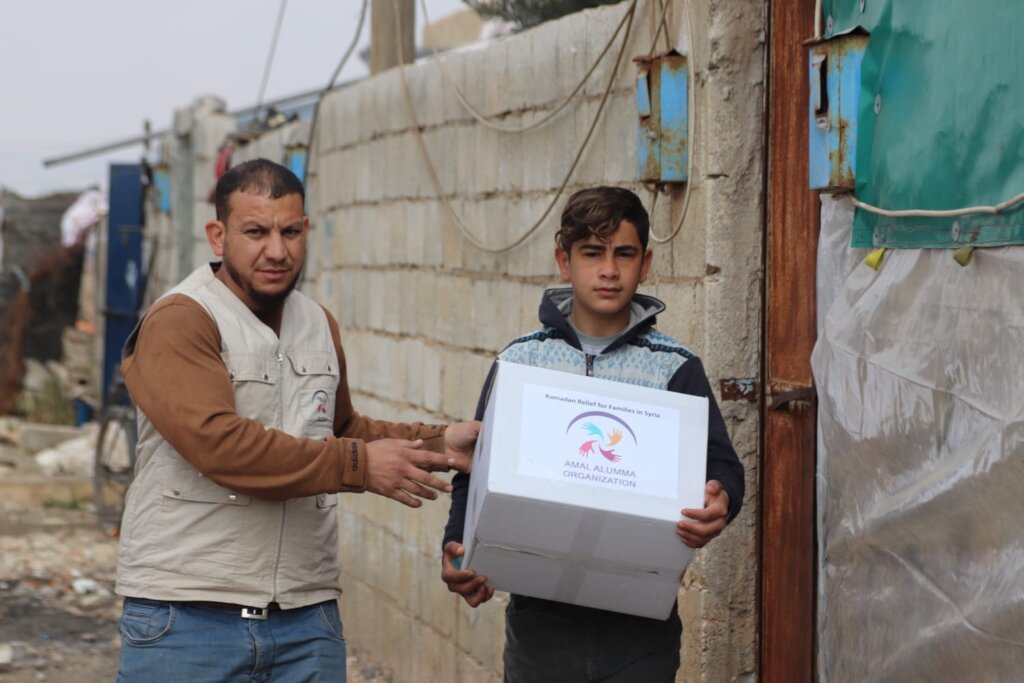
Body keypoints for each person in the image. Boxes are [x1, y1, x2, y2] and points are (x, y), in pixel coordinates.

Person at [115, 158, 479, 682]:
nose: (277, 251)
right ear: (218, 236)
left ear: (306, 231)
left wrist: (442, 443)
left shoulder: (317, 322)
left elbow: (340, 429)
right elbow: (219, 444)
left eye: (290, 232)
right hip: (188, 617)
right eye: (256, 232)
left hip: (306, 618)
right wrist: (358, 465)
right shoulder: (182, 319)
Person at [440, 186, 745, 682]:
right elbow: (474, 469)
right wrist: (456, 544)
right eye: (592, 253)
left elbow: (722, 464)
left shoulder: (675, 367)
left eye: (624, 254)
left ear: (645, 264)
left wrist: (722, 498)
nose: (608, 270)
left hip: (640, 628)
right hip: (539, 624)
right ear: (564, 262)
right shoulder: (521, 361)